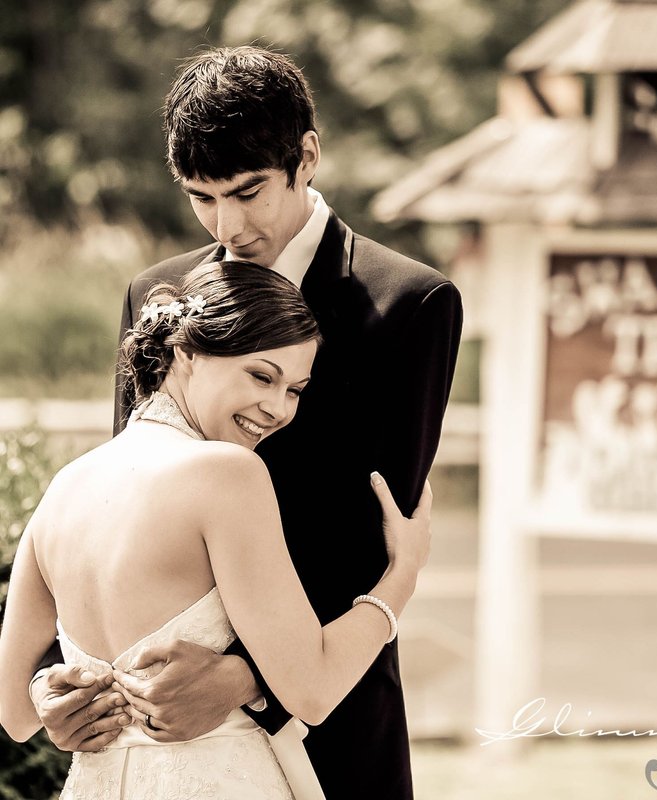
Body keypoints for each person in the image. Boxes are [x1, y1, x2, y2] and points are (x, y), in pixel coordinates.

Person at [30, 45, 463, 800]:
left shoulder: (407, 305)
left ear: (308, 156)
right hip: (147, 727)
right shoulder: (154, 294)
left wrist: (248, 678)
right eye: (202, 197)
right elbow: (117, 500)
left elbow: (378, 528)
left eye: (248, 191)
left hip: (332, 722)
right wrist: (54, 683)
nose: (228, 225)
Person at [0, 260, 433, 799]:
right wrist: (403, 574)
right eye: (261, 376)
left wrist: (52, 685)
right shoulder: (229, 474)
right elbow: (314, 689)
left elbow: (16, 714)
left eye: (295, 390)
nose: (277, 409)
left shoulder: (64, 487)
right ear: (185, 354)